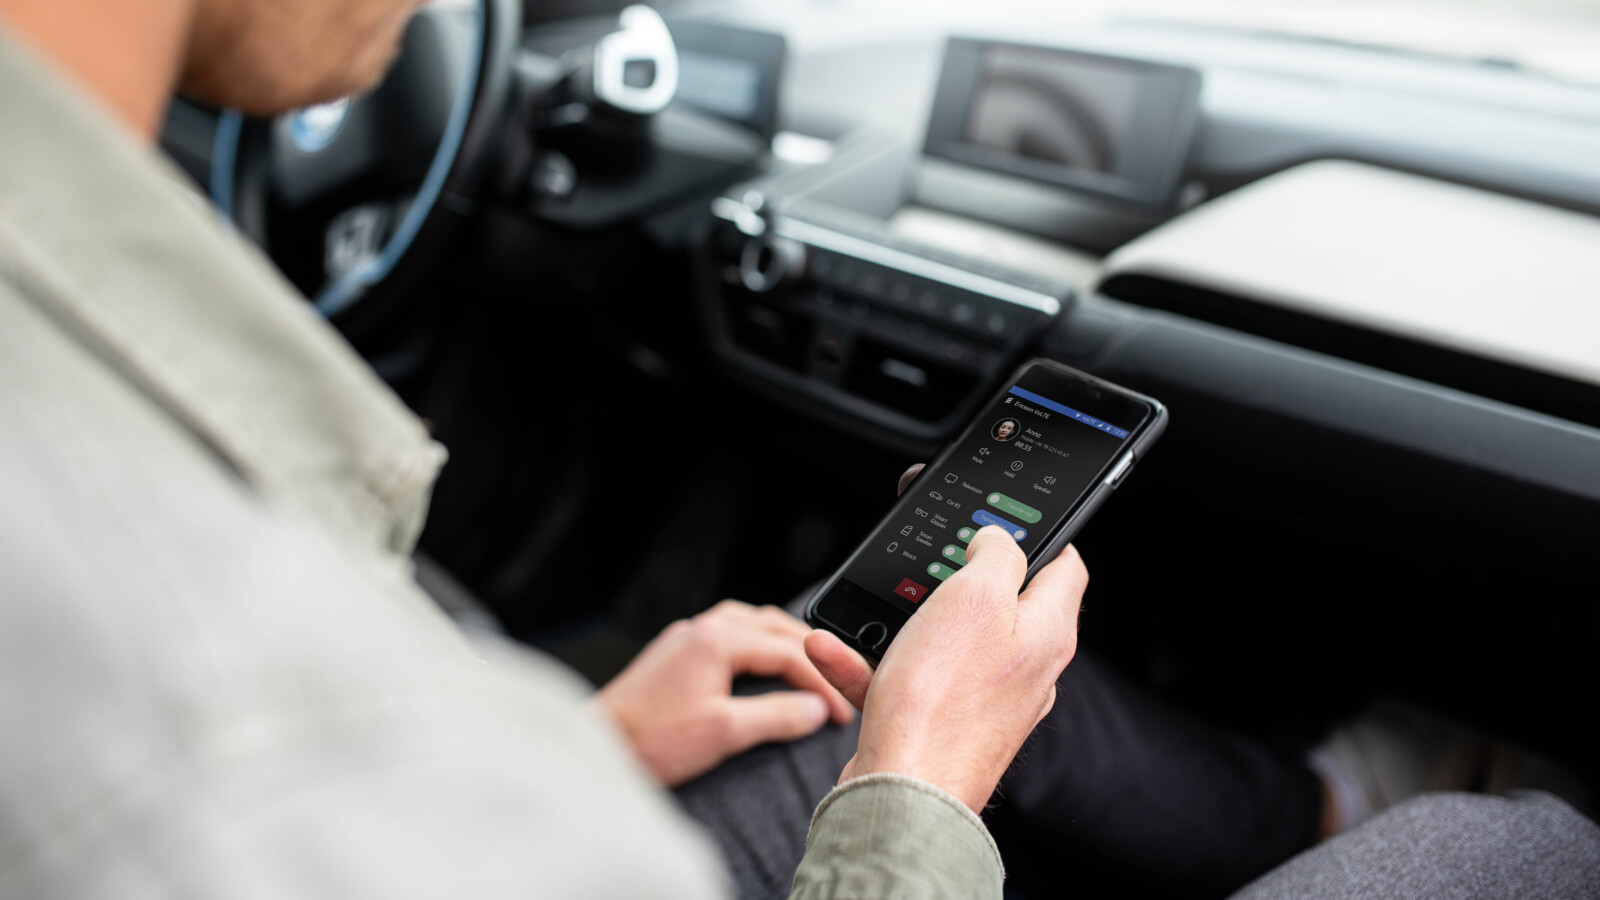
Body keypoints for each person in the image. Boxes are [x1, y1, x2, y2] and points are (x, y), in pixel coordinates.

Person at [2, 1, 1596, 898]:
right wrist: (919, 790)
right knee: (1509, 855)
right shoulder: (212, 742)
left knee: (814, 706)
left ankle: (1315, 807)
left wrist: (591, 747)